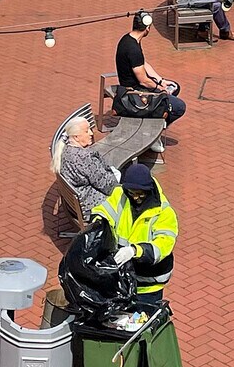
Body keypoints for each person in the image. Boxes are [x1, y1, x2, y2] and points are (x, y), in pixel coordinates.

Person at [92, 163, 179, 307]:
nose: (136, 197)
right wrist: (97, 225)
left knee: (144, 323)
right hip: (123, 278)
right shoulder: (121, 195)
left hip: (148, 284)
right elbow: (103, 211)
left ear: (149, 190)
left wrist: (134, 251)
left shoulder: (164, 212)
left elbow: (162, 246)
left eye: (141, 193)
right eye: (132, 193)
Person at [115, 12, 186, 124]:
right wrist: (159, 88)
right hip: (134, 92)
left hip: (139, 84)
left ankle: (159, 110)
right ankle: (155, 125)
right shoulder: (133, 49)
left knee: (174, 87)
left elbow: (143, 64)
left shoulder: (130, 39)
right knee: (179, 106)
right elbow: (143, 81)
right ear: (147, 28)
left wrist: (161, 81)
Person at [60, 115, 122, 201]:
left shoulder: (66, 150)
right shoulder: (85, 157)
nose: (91, 133)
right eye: (86, 131)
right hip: (92, 202)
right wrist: (118, 177)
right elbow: (107, 186)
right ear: (76, 137)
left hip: (79, 197)